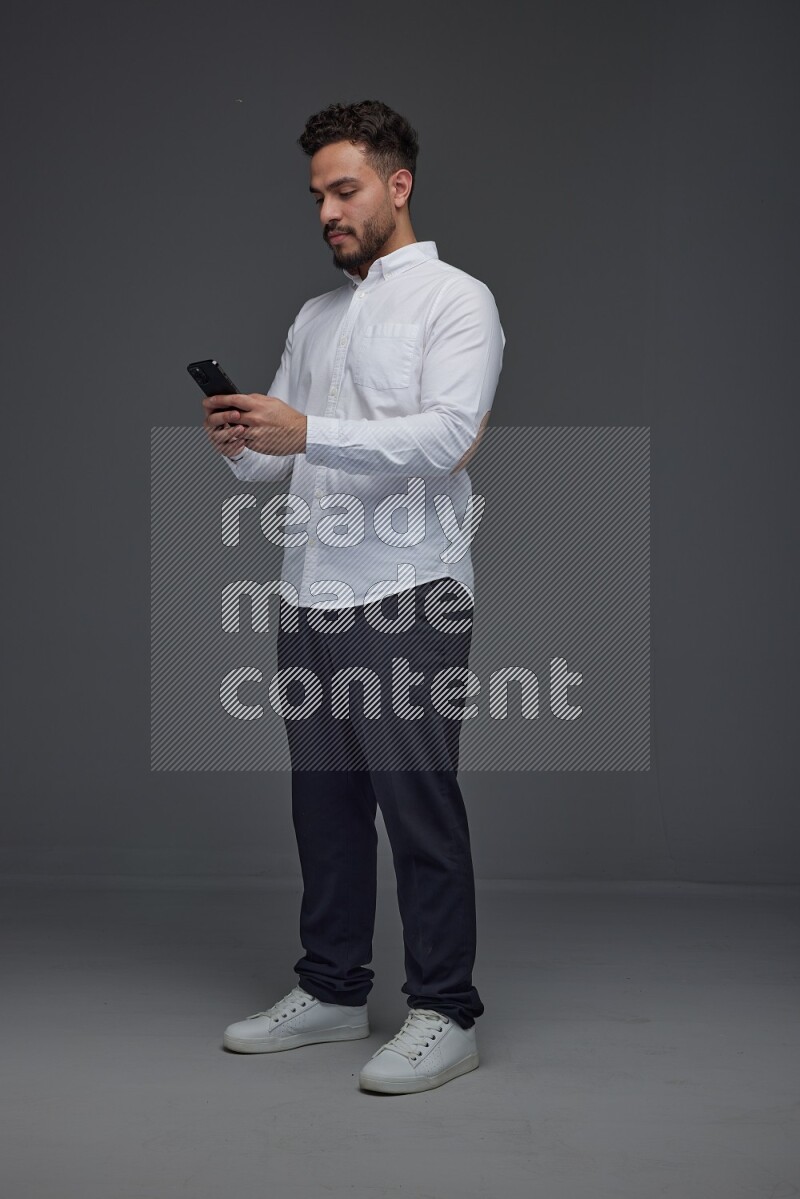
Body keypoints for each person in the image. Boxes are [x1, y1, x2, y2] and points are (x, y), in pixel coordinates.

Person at [203, 99, 505, 1094]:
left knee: (418, 806)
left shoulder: (457, 301)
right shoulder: (316, 317)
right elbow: (279, 462)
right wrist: (244, 439)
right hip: (312, 593)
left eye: (345, 190)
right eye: (317, 197)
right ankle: (332, 989)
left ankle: (445, 1009)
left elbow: (447, 438)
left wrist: (307, 433)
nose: (328, 211)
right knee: (324, 807)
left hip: (409, 590)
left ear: (397, 184)